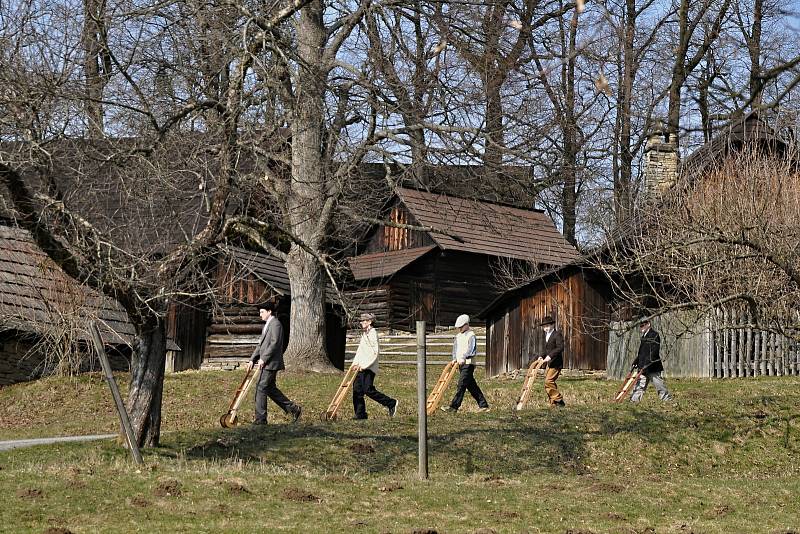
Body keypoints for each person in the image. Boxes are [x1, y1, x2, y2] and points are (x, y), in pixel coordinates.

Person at [250, 301, 302, 425]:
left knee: (261, 388)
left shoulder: (276, 324)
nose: (260, 315)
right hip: (266, 362)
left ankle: (261, 419)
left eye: (262, 312)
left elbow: (274, 344)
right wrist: (253, 359)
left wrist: (264, 358)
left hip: (271, 363)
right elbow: (261, 345)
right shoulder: (267, 324)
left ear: (269, 312)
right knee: (270, 389)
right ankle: (294, 409)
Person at [351, 313, 399, 420]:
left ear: (369, 322)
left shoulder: (373, 334)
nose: (361, 323)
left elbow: (374, 352)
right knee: (357, 390)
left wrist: (364, 365)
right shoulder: (365, 334)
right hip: (360, 367)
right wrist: (355, 363)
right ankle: (360, 414)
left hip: (369, 367)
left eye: (363, 321)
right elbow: (360, 351)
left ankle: (391, 403)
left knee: (368, 390)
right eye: (361, 321)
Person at [441, 314, 490, 413]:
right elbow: (455, 349)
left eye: (461, 327)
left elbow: (472, 350)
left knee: (461, 384)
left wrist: (464, 357)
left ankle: (454, 407)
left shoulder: (471, 335)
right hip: (460, 364)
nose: (459, 329)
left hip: (468, 363)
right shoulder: (458, 336)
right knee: (471, 386)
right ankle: (483, 405)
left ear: (467, 325)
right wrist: (455, 359)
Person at [629, 317, 672, 403]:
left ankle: (667, 401)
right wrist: (636, 361)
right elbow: (641, 352)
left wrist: (647, 363)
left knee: (659, 385)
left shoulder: (654, 335)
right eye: (640, 326)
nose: (641, 327)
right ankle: (633, 401)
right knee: (639, 384)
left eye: (642, 325)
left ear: (648, 324)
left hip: (652, 367)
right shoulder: (644, 336)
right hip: (642, 367)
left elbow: (654, 352)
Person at [534, 315, 566, 407]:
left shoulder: (557, 334)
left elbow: (560, 347)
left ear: (552, 325)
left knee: (548, 381)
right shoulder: (547, 335)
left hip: (556, 363)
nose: (546, 328)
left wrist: (549, 356)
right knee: (548, 383)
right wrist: (541, 356)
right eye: (544, 327)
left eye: (547, 326)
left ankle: (559, 400)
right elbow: (546, 349)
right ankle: (554, 403)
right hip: (549, 363)